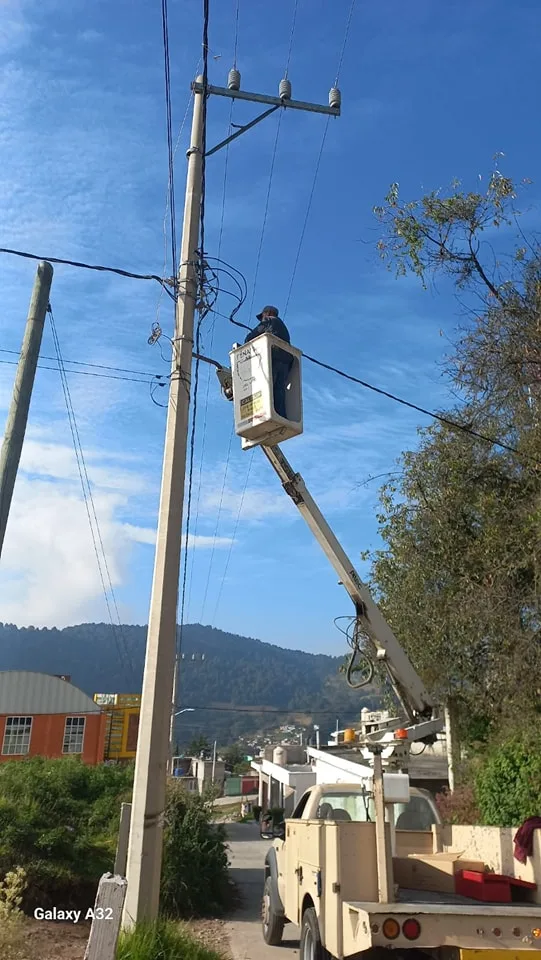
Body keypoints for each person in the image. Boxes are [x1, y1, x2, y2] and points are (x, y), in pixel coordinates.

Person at [244, 305, 293, 419]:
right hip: (286, 362)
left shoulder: (269, 320)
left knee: (267, 386)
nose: (262, 318)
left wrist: (248, 339)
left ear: (268, 313)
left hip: (274, 358)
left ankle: (267, 413)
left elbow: (253, 335)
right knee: (279, 389)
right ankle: (280, 416)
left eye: (263, 315)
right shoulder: (283, 327)